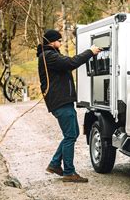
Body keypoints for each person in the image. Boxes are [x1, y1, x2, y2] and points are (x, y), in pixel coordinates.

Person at [37, 29, 101, 183]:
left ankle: (54, 164)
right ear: (52, 41)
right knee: (70, 135)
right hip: (60, 101)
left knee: (72, 133)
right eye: (59, 40)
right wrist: (90, 52)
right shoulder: (49, 56)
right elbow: (71, 63)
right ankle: (69, 172)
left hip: (62, 101)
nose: (61, 42)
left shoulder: (49, 55)